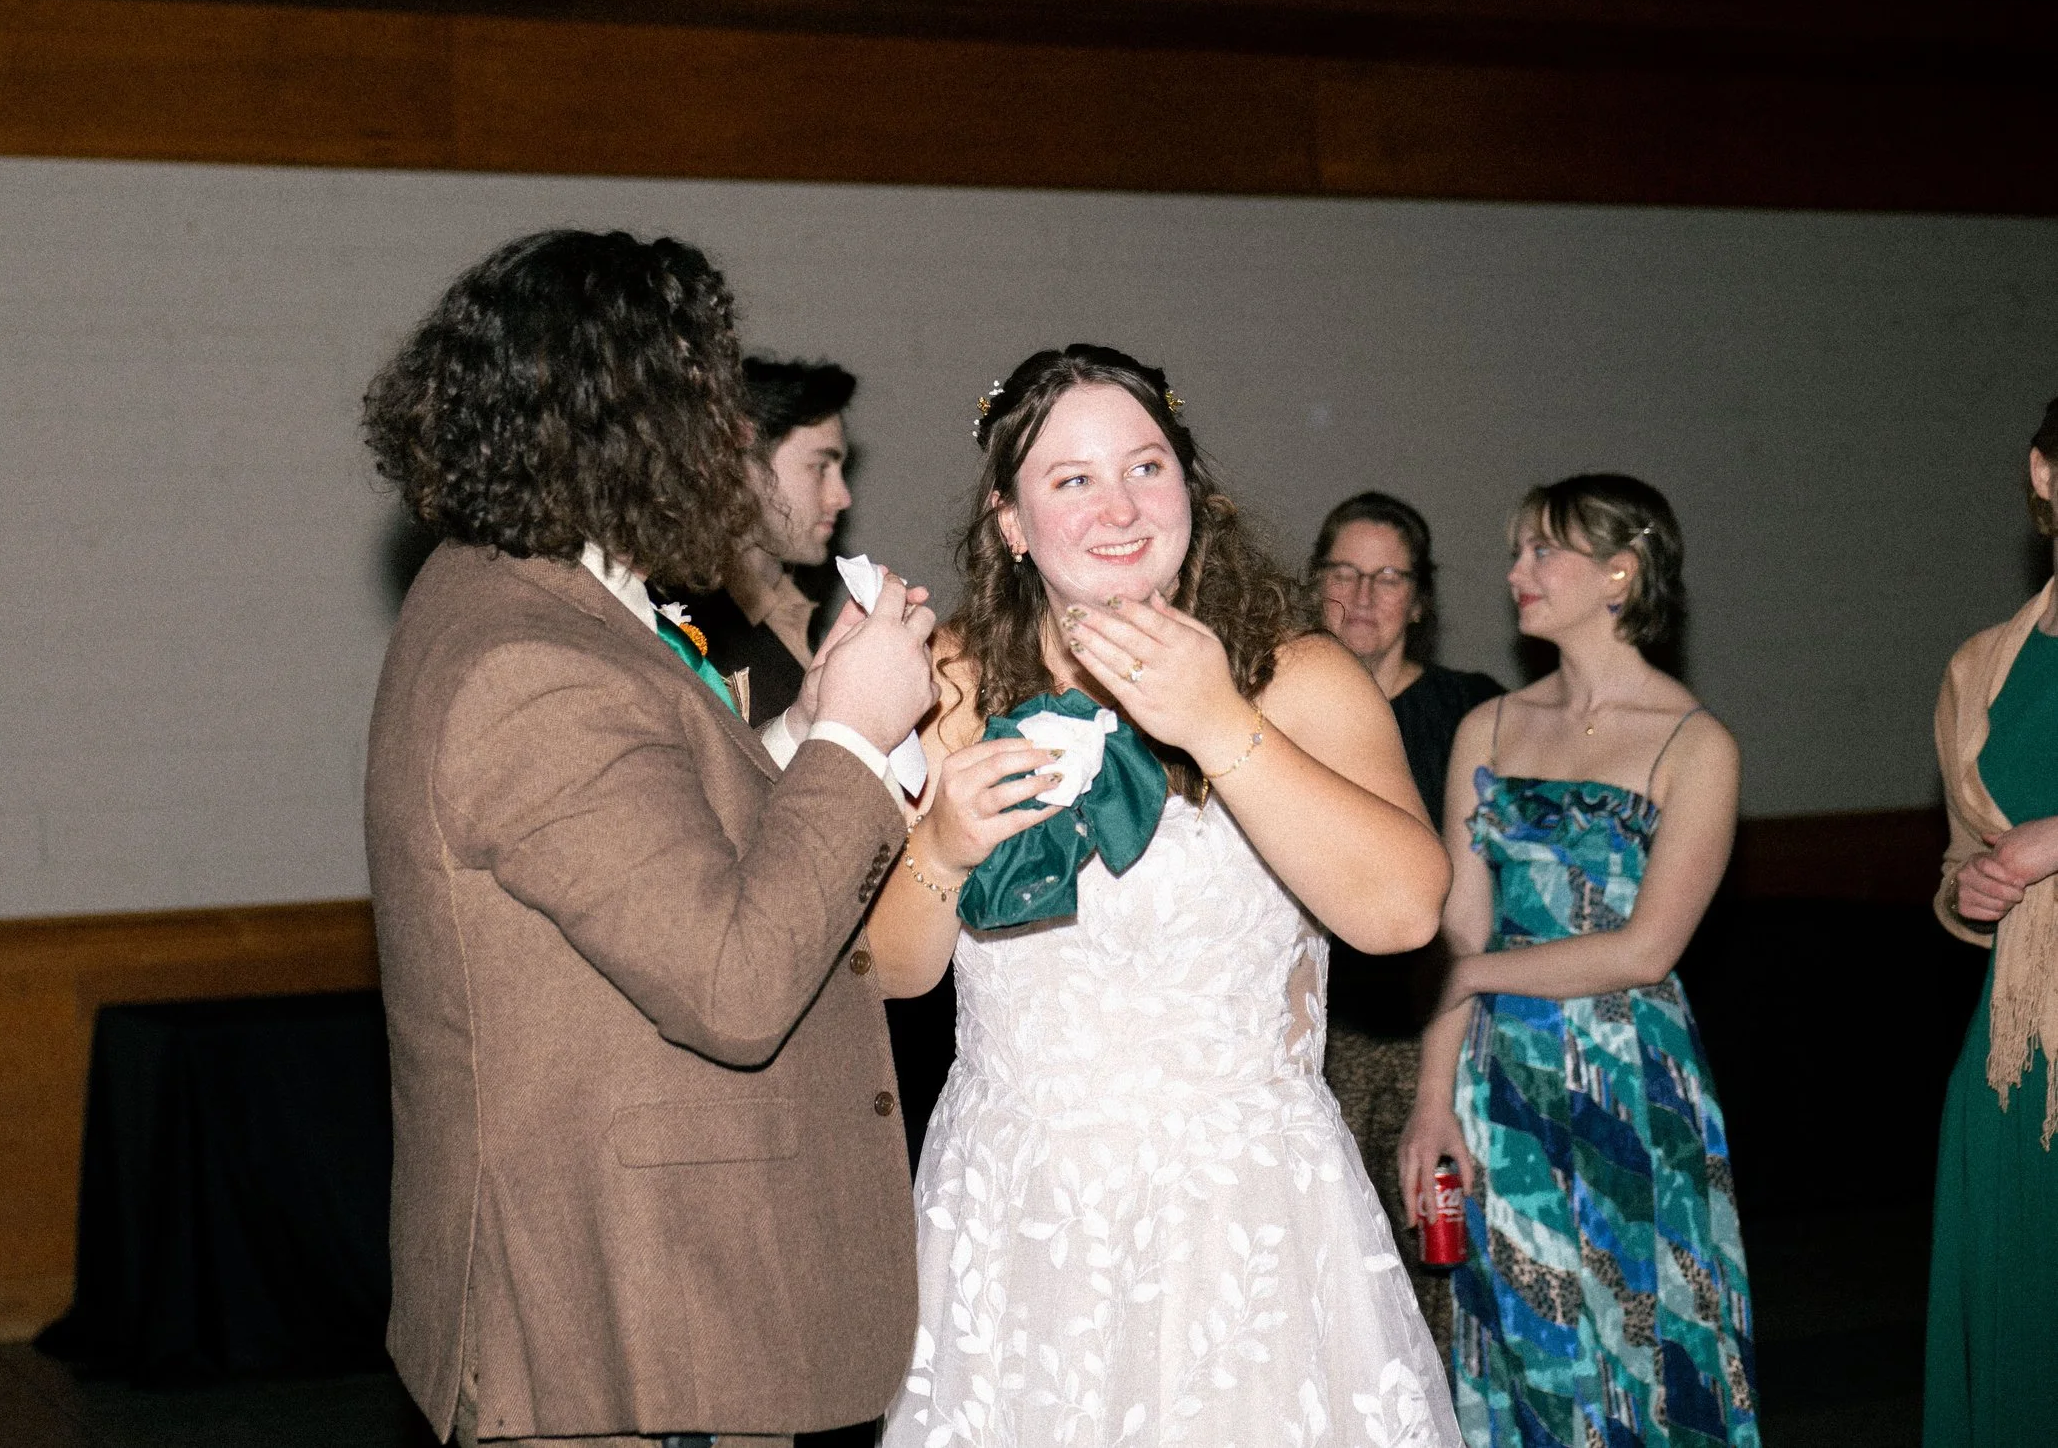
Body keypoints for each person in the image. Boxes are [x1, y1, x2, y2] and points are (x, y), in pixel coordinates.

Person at [358, 230, 939, 1448]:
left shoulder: (533, 592)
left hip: (659, 1303)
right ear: (623, 418)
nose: (728, 434)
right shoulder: (530, 661)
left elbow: (657, 838)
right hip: (635, 1323)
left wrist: (807, 724)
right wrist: (858, 744)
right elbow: (730, 981)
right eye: (704, 393)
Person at [866, 344, 1461, 1447]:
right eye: (1071, 478)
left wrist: (1216, 720)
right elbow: (890, 969)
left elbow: (1402, 914)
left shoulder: (1294, 675)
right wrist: (942, 842)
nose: (1119, 506)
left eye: (1146, 466)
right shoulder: (951, 678)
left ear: (1191, 483)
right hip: (1020, 1205)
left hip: (1237, 1211)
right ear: (1011, 521)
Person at [1399, 474, 1757, 1448]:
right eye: (1516, 550)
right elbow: (1456, 934)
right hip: (1500, 1083)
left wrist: (1473, 975)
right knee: (1526, 1345)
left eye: (1540, 550)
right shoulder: (1491, 724)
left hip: (1630, 1084)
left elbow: (1647, 949)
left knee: (1645, 1346)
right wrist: (1433, 1098)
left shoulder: (1695, 742)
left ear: (1619, 570)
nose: (1516, 571)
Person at [1310, 491, 1504, 1352]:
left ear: (1420, 599)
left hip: (1441, 1034)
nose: (1361, 595)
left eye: (1387, 577)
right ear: (1315, 583)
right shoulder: (1276, 708)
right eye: (1344, 572)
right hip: (1314, 1037)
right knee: (1330, 1295)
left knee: (1444, 1287)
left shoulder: (1473, 710)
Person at [1923, 396, 2058, 1448]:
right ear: (2044, 475)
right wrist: (1970, 891)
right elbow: (1961, 867)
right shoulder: (1982, 663)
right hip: (2020, 1045)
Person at [670, 356, 857, 728]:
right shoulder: (684, 633)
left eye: (841, 470)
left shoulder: (796, 611)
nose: (842, 497)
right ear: (742, 466)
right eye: (820, 467)